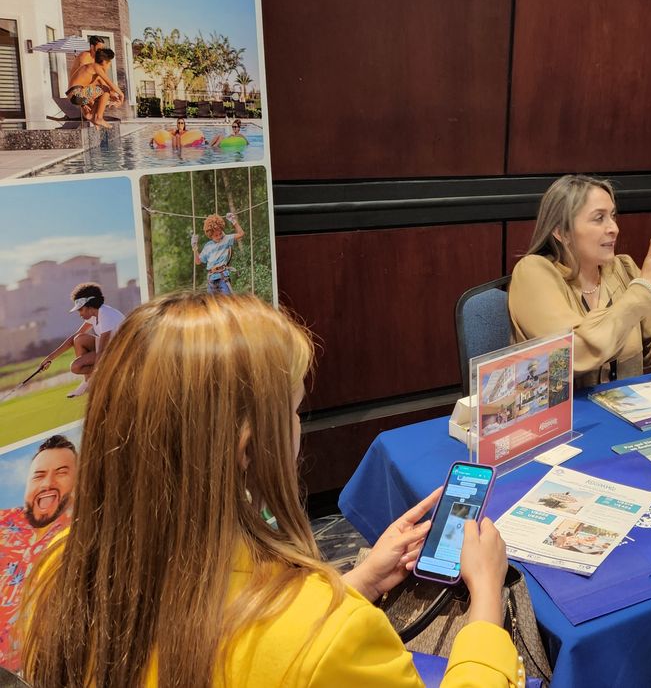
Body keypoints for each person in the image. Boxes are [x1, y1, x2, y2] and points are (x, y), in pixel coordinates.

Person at [21, 293, 518, 687]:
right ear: (249, 446)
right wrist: (485, 604)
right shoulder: (328, 634)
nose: (298, 428)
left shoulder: (59, 570)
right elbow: (285, 643)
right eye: (294, 412)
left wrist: (360, 579)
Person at [509, 174, 651, 387]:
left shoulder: (622, 269)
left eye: (612, 216)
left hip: (623, 412)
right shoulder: (534, 272)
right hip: (561, 423)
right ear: (562, 232)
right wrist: (644, 289)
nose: (614, 228)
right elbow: (572, 355)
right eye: (599, 218)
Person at [0, 435, 77, 672]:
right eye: (39, 475)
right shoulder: (3, 522)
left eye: (61, 473)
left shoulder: (80, 536)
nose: (47, 483)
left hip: (36, 669)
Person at [35, 283, 125, 399]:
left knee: (76, 367)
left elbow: (102, 350)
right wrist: (49, 358)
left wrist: (99, 376)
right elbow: (74, 338)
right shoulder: (95, 314)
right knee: (79, 339)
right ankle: (88, 382)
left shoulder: (105, 314)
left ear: (89, 306)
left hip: (121, 352)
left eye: (81, 309)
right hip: (110, 349)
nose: (80, 314)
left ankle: (100, 378)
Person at [65, 47, 123, 128]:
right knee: (105, 89)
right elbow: (109, 84)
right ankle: (98, 118)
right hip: (77, 93)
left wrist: (112, 96)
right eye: (109, 63)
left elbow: (101, 88)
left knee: (102, 91)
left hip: (74, 96)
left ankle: (91, 115)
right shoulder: (95, 67)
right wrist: (121, 95)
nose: (109, 65)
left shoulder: (90, 68)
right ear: (105, 62)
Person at [193, 212, 245, 294]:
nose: (219, 236)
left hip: (223, 276)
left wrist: (234, 221)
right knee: (211, 303)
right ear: (210, 235)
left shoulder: (226, 239)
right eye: (216, 235)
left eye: (220, 233)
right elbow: (198, 262)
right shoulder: (208, 246)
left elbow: (241, 234)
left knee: (226, 301)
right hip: (211, 278)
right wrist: (195, 249)